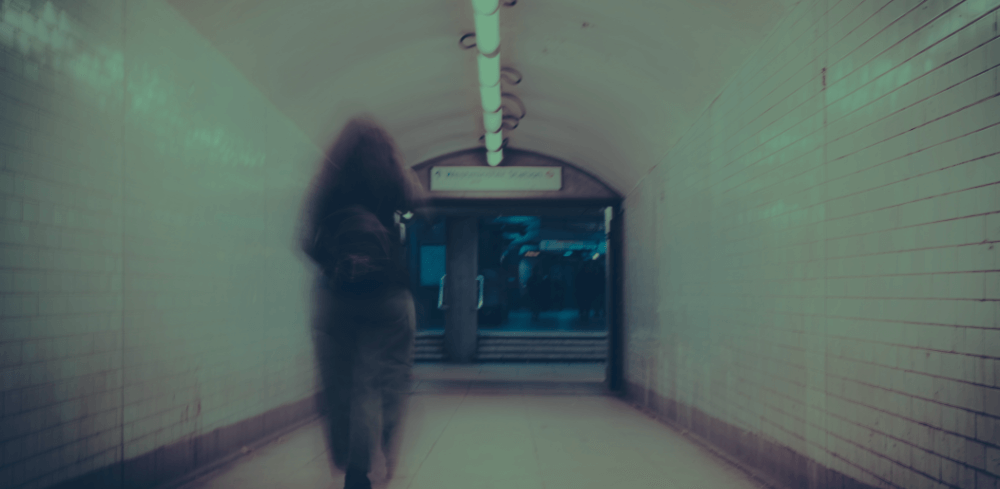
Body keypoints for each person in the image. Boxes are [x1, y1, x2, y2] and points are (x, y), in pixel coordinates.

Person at [298, 117, 422, 489]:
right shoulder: (394, 181)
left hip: (336, 298)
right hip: (389, 297)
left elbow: (306, 242)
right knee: (387, 380)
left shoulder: (328, 186)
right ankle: (382, 448)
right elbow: (420, 209)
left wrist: (338, 267)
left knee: (341, 383)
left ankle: (353, 465)